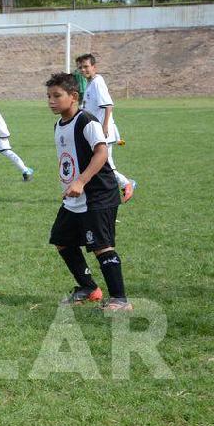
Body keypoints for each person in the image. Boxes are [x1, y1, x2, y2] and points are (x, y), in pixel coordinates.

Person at [45, 72, 132, 312]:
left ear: (73, 96)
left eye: (57, 96)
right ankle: (89, 288)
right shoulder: (59, 124)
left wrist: (81, 181)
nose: (51, 101)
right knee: (62, 240)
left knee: (101, 246)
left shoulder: (87, 121)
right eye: (48, 96)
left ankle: (120, 299)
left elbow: (101, 153)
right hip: (75, 196)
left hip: (97, 194)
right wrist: (70, 185)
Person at [75, 54, 136, 203]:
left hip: (102, 132)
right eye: (80, 67)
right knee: (97, 163)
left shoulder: (97, 82)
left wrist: (104, 127)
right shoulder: (90, 84)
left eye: (86, 66)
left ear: (94, 67)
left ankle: (126, 183)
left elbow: (108, 105)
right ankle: (99, 190)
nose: (83, 70)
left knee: (104, 163)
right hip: (95, 131)